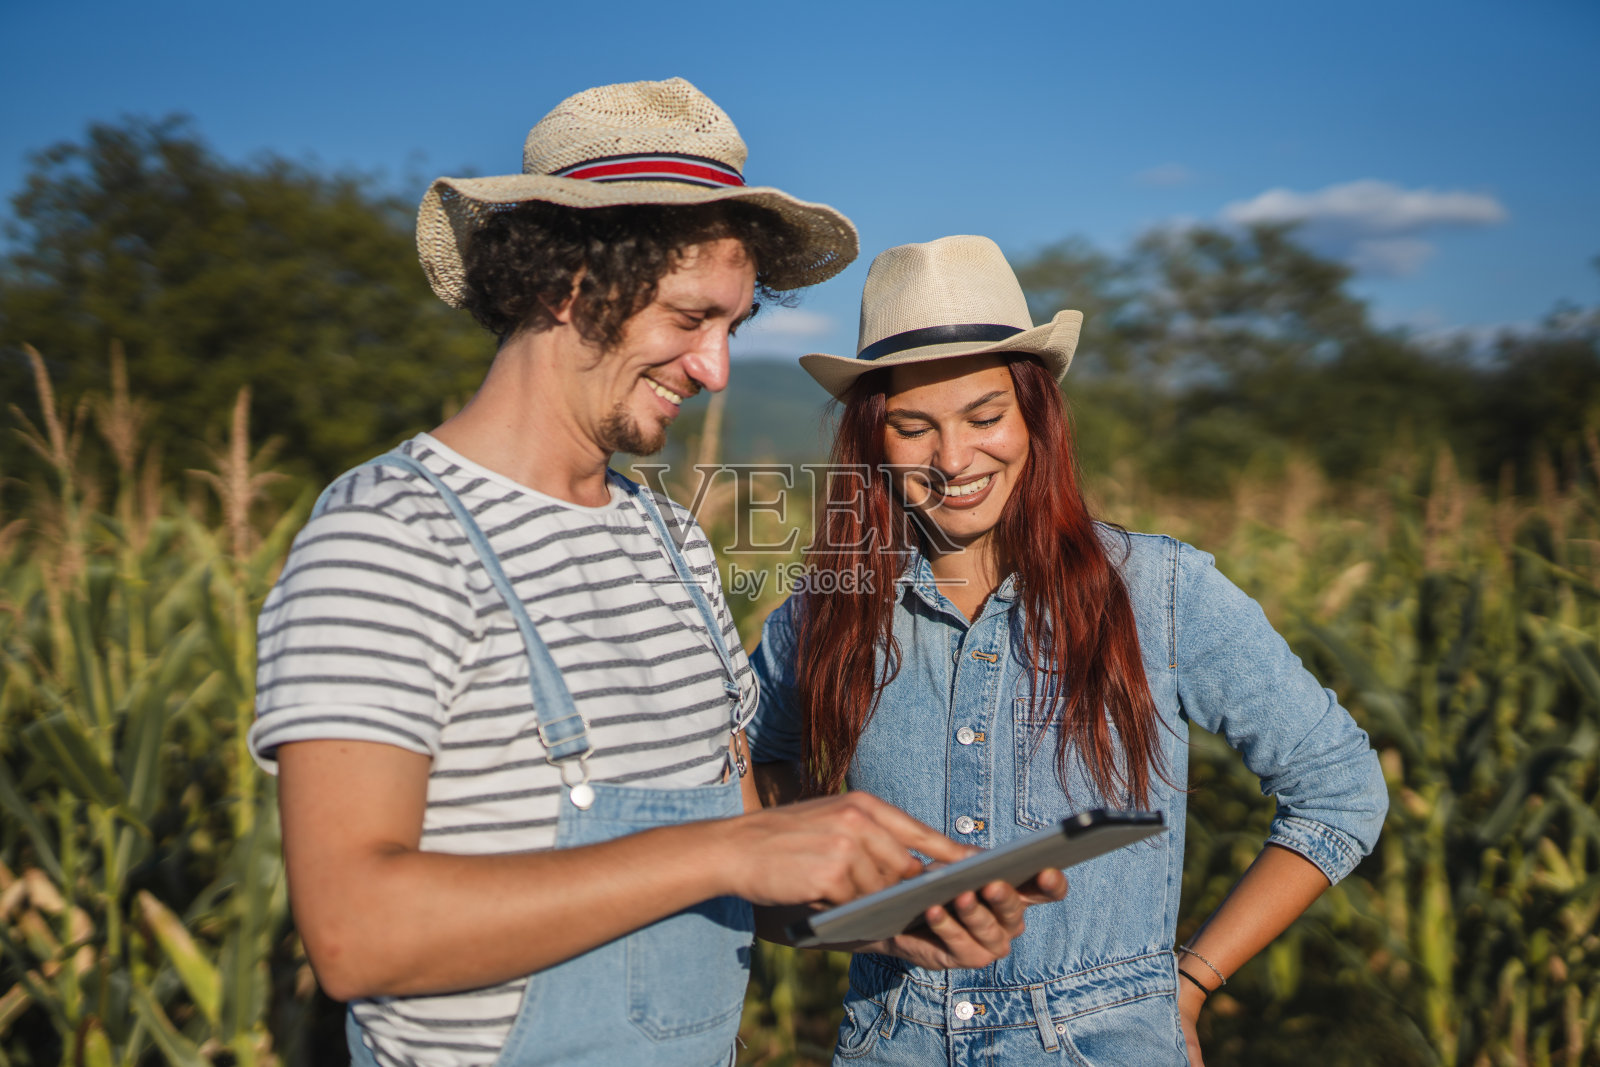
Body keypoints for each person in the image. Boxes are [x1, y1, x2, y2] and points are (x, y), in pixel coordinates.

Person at [249, 86, 1063, 1067]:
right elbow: (355, 933)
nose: (715, 368)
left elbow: (726, 865)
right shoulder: (390, 535)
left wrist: (878, 913)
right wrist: (733, 848)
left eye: (732, 322)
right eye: (690, 317)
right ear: (569, 281)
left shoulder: (669, 538)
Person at [746, 235, 1391, 1066]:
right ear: (875, 440)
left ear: (1034, 417)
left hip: (1104, 1041)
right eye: (914, 427)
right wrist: (854, 914)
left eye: (985, 417)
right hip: (889, 1037)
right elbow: (749, 805)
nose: (952, 459)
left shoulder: (1160, 589)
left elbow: (1340, 790)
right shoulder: (823, 615)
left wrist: (1189, 983)